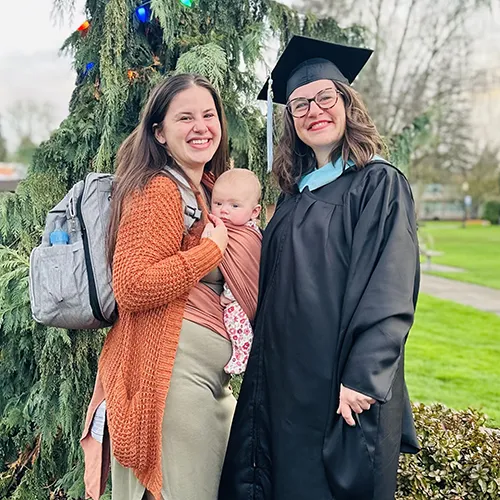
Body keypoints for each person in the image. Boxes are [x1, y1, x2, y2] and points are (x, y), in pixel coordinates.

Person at [218, 35, 420, 500]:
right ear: (290, 119)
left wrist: (364, 377)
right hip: (284, 382)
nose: (314, 110)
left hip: (338, 385)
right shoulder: (294, 196)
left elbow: (390, 284)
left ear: (347, 103)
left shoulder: (376, 184)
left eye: (325, 97)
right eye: (299, 104)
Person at [80, 73, 249, 500]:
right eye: (185, 117)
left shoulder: (208, 190)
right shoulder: (160, 189)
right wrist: (208, 253)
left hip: (203, 383)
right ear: (160, 131)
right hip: (172, 384)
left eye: (209, 115)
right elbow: (132, 285)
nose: (201, 126)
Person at [211, 169, 262, 374]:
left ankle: (243, 352)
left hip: (241, 299)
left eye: (234, 205)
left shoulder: (247, 237)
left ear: (255, 212)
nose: (224, 211)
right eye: (218, 203)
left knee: (233, 315)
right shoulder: (228, 229)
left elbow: (244, 270)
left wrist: (229, 296)